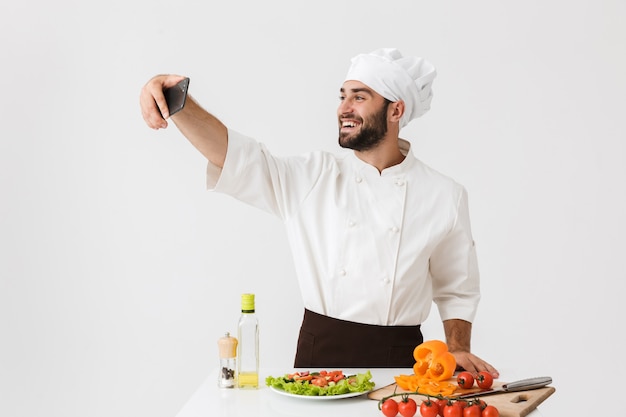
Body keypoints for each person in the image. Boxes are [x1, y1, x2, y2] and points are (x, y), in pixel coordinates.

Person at [140, 48, 499, 377]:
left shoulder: (444, 195)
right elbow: (236, 157)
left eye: (360, 97)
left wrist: (458, 349)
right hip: (320, 353)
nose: (344, 107)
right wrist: (179, 103)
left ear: (396, 109)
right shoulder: (313, 176)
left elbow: (457, 288)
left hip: (401, 358)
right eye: (343, 96)